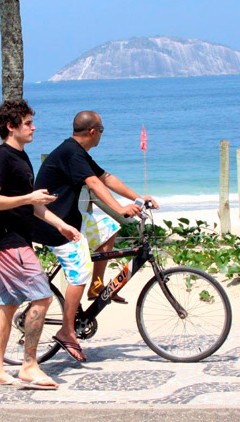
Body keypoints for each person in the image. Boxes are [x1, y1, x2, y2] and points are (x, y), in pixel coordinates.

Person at [33, 110, 158, 362]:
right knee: (79, 272)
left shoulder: (78, 152)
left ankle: (97, 287)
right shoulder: (71, 152)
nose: (102, 135)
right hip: (52, 223)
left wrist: (136, 198)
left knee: (108, 229)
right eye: (101, 130)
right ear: (93, 132)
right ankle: (67, 331)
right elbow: (94, 183)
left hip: (70, 218)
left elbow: (106, 178)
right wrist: (120, 207)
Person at [0, 99, 82, 389]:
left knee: (8, 304)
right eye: (27, 123)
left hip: (14, 239)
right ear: (11, 127)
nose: (33, 126)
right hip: (10, 241)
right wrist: (28, 198)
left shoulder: (21, 157)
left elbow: (34, 205)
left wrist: (61, 225)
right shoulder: (2, 157)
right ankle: (29, 365)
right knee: (43, 297)